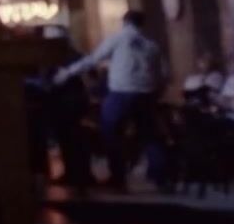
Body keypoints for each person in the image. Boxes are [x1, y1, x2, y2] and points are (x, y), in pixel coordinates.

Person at [55, 10, 170, 191]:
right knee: (150, 135)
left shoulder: (118, 39)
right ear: (142, 24)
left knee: (110, 133)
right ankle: (160, 178)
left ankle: (118, 178)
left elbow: (93, 59)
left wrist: (67, 72)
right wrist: (156, 93)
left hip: (120, 93)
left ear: (125, 22)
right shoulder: (152, 46)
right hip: (145, 94)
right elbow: (162, 74)